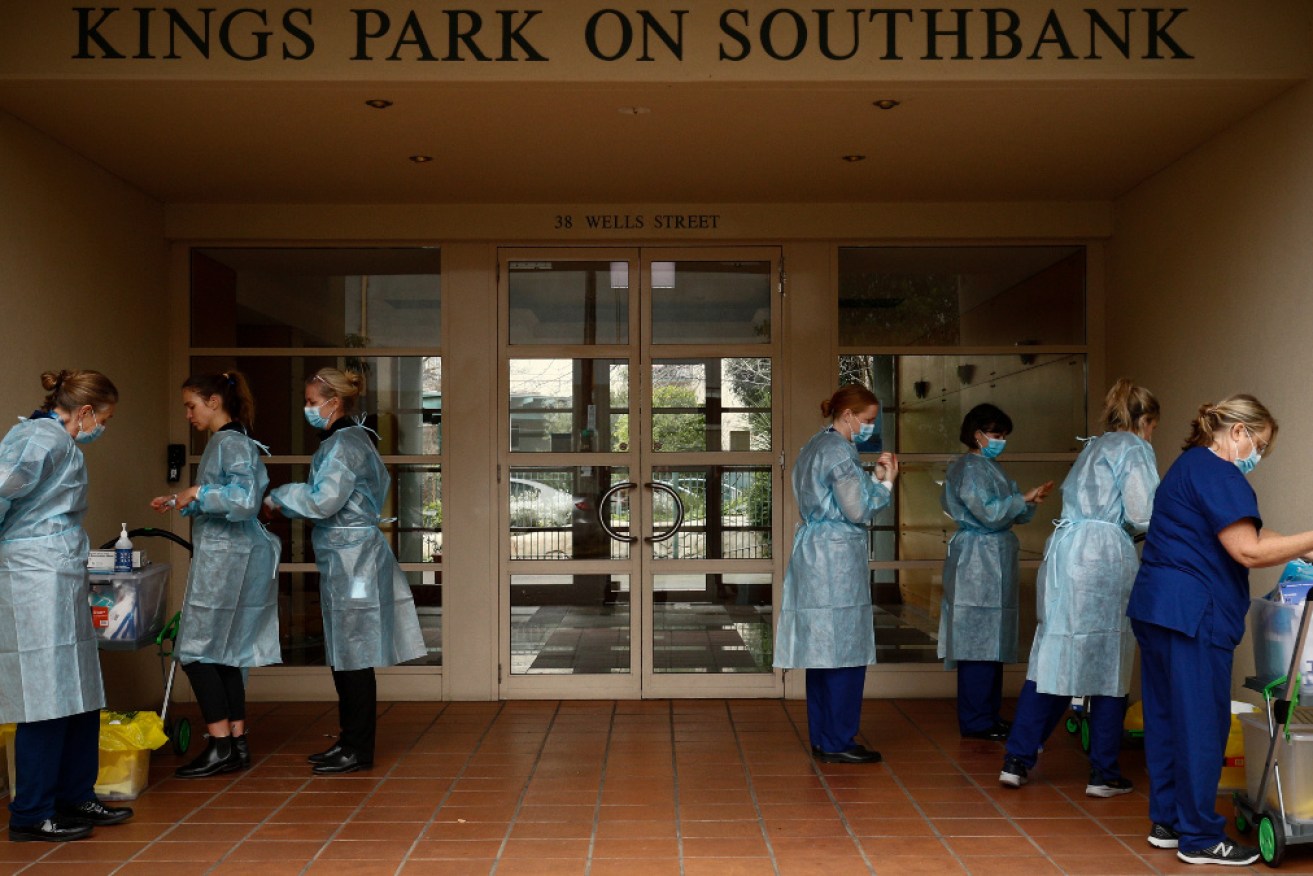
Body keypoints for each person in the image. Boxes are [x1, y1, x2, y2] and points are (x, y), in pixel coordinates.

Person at [1128, 395, 1313, 867]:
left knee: (1168, 719)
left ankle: (1169, 822)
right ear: (1237, 432)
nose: (1258, 456)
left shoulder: (1189, 467)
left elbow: (1247, 534)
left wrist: (1300, 549)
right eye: (1260, 445)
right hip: (1194, 615)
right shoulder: (1219, 473)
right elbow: (1247, 551)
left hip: (1159, 609)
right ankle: (1200, 837)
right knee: (1201, 725)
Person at [1000, 380, 1160, 795]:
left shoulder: (1094, 446)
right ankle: (1103, 772)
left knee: (1054, 651)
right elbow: (1144, 512)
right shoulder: (1135, 448)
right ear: (1145, 421)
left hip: (1065, 552)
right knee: (1109, 657)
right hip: (1103, 556)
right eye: (1152, 426)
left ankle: (1017, 759)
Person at [265, 368, 426, 775]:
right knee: (346, 651)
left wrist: (281, 496)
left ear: (333, 402)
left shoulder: (343, 445)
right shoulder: (355, 440)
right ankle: (350, 741)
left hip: (353, 561)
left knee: (353, 652)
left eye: (310, 400)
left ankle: (357, 746)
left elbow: (324, 501)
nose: (307, 408)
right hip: (348, 557)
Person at [0, 370, 133, 843]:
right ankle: (32, 812)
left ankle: (73, 794)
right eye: (105, 419)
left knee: (78, 689)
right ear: (84, 412)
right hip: (33, 575)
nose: (104, 428)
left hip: (56, 572)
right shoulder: (39, 439)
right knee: (46, 695)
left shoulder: (59, 441)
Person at [150, 371, 281, 779]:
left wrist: (197, 493)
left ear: (213, 402)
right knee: (226, 652)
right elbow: (229, 494)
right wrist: (184, 499)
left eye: (191, 405)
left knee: (194, 651)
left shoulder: (231, 443)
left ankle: (221, 745)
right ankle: (236, 743)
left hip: (228, 561)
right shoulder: (228, 443)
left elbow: (243, 499)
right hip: (234, 556)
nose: (187, 413)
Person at [774, 384, 898, 764]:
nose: (870, 427)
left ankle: (825, 736)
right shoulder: (839, 451)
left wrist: (870, 478)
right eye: (868, 420)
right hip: (836, 556)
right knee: (844, 649)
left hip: (815, 552)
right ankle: (840, 738)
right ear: (848, 415)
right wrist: (885, 482)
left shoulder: (815, 445)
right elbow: (857, 509)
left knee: (821, 652)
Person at [940, 403, 1054, 741]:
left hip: (993, 558)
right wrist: (1021, 500)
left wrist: (1028, 501)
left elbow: (1009, 512)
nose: (1001, 440)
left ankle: (987, 715)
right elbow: (989, 514)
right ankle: (976, 720)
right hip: (977, 559)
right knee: (977, 645)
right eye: (996, 434)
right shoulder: (970, 469)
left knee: (993, 642)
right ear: (977, 435)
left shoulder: (991, 468)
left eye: (1003, 435)